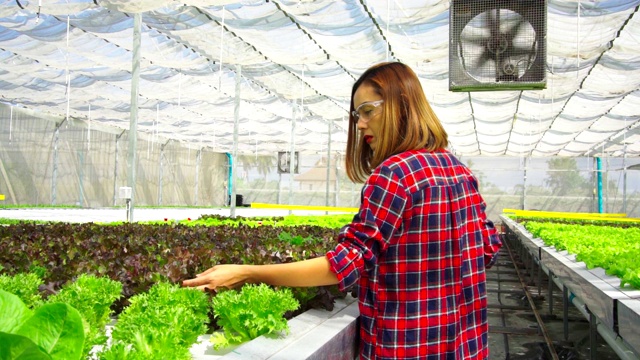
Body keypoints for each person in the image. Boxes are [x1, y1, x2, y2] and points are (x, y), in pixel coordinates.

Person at [183, 61, 502, 359]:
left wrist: (248, 272)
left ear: (401, 105)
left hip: (407, 347)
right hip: (467, 346)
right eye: (356, 115)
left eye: (367, 111)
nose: (360, 124)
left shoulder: (395, 174)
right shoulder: (459, 171)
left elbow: (345, 265)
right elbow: (488, 246)